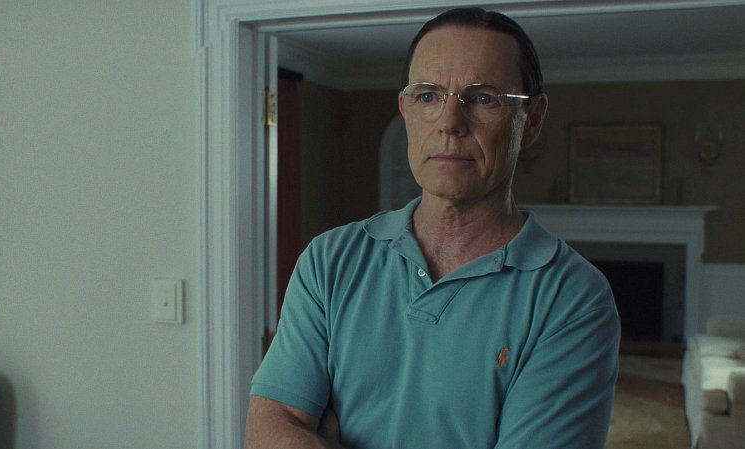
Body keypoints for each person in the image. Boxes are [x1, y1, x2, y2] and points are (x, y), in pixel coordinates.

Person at [244, 7, 620, 449]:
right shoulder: (330, 260)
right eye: (428, 96)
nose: (450, 123)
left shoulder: (573, 299)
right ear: (405, 110)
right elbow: (269, 428)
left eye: (483, 98)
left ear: (532, 119)